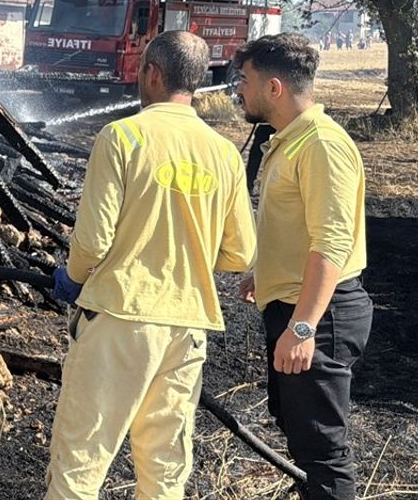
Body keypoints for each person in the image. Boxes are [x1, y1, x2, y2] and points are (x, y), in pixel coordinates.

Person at [46, 30, 256, 500]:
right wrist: (193, 254)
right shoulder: (223, 153)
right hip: (186, 327)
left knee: (82, 458)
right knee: (164, 467)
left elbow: (93, 241)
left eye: (143, 68)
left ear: (153, 74)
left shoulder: (122, 136)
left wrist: (73, 279)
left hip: (118, 317)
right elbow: (241, 254)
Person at [234, 33, 372, 500]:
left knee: (324, 452)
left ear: (274, 88)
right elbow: (298, 226)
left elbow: (332, 242)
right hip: (298, 305)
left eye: (245, 80)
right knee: (304, 438)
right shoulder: (290, 141)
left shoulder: (321, 145)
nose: (239, 89)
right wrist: (266, 270)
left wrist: (305, 327)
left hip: (321, 314)